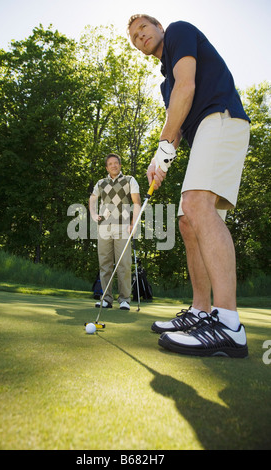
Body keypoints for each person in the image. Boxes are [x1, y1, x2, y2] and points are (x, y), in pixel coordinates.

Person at [128, 15, 250, 357]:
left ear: (160, 28)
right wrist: (160, 162)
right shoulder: (165, 85)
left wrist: (163, 147)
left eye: (144, 30)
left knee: (197, 206)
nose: (140, 37)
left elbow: (188, 88)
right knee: (187, 220)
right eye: (135, 38)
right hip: (203, 135)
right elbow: (177, 128)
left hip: (222, 119)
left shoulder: (180, 31)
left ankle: (228, 323)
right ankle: (201, 311)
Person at [89, 153, 141, 311]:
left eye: (116, 163)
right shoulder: (100, 183)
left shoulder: (129, 180)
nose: (113, 165)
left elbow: (137, 202)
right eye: (110, 164)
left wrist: (134, 223)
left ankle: (125, 299)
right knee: (105, 264)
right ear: (107, 167)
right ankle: (106, 299)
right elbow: (92, 198)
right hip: (104, 227)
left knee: (124, 264)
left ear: (120, 165)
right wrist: (93, 215)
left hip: (123, 227)